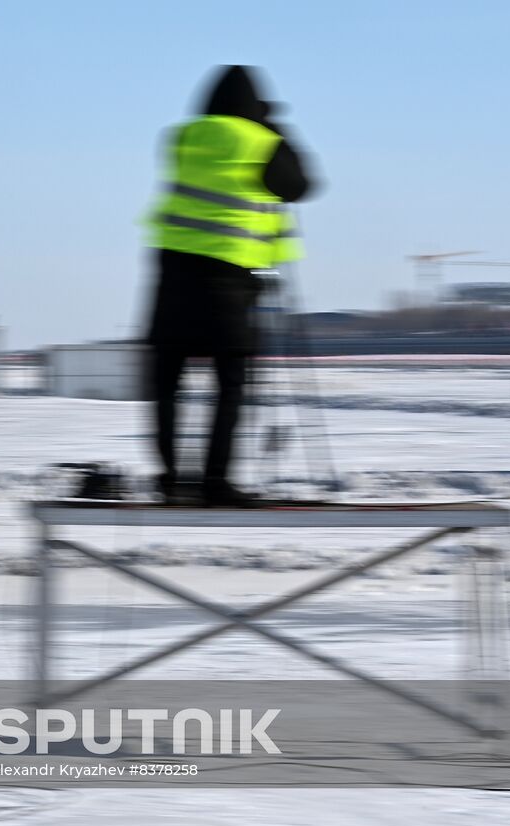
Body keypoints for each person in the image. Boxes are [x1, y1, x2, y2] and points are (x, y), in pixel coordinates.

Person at [145, 65, 317, 506]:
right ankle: (214, 482)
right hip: (227, 280)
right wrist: (274, 127)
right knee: (230, 384)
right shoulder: (263, 141)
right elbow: (299, 186)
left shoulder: (180, 139)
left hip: (172, 276)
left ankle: (169, 480)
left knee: (166, 382)